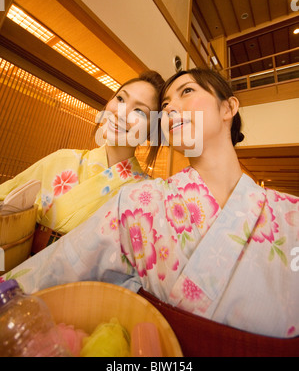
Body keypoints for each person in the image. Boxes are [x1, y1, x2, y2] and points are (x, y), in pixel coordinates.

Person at [2, 68, 298, 339]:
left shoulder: (291, 215)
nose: (171, 109)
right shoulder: (137, 204)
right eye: (165, 106)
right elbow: (54, 270)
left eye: (186, 91)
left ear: (228, 107)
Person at [0, 71, 164, 252]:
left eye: (139, 111)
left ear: (151, 130)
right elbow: (5, 200)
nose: (121, 113)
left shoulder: (148, 193)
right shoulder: (62, 159)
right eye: (120, 99)